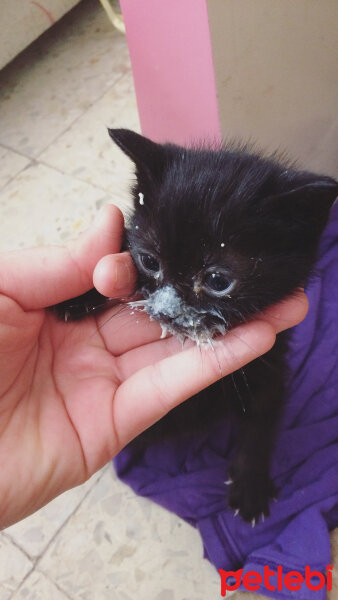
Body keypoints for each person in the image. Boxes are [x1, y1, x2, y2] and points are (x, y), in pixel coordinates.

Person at [0, 205, 308, 530]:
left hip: (192, 385)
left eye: (216, 279)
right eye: (151, 262)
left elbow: (265, 395)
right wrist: (87, 291)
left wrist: (252, 465)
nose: (167, 310)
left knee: (258, 378)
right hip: (114, 392)